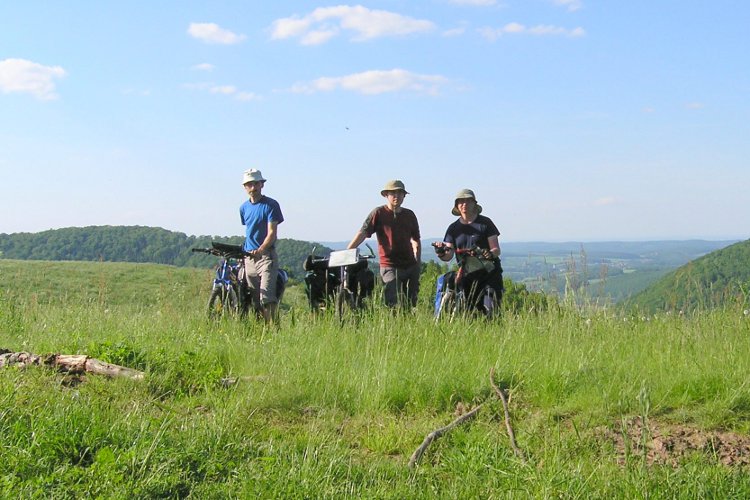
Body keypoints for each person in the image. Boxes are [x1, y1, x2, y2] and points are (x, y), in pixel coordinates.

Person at [347, 180, 421, 309]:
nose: (396, 196)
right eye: (393, 193)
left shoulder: (409, 215)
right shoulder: (378, 213)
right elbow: (363, 232)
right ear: (386, 195)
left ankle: (407, 325)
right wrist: (348, 251)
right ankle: (393, 326)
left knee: (411, 303)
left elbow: (416, 239)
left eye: (400, 193)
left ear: (404, 196)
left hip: (410, 265)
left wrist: (417, 262)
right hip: (389, 265)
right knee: (393, 300)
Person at [433, 188, 503, 313]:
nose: (464, 204)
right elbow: (448, 255)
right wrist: (441, 252)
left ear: (474, 204)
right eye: (461, 202)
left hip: (489, 274)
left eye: (468, 201)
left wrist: (490, 253)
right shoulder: (453, 228)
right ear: (457, 206)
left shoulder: (485, 223)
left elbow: (496, 249)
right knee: (467, 311)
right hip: (467, 276)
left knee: (490, 308)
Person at [239, 168, 284, 323]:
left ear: (261, 185)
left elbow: (272, 233)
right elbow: (249, 229)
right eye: (249, 184)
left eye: (256, 184)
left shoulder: (271, 205)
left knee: (267, 298)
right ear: (245, 187)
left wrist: (261, 250)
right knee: (255, 300)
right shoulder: (243, 208)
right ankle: (261, 331)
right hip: (249, 257)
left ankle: (274, 330)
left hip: (265, 256)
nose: (253, 188)